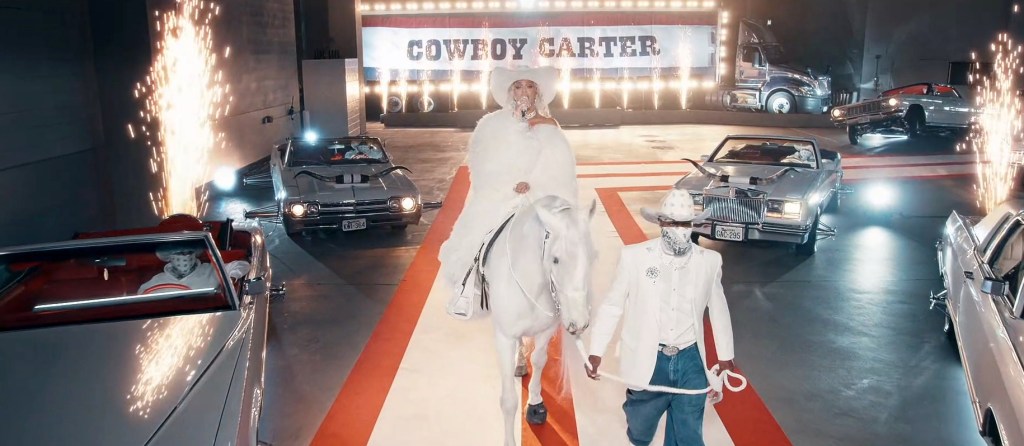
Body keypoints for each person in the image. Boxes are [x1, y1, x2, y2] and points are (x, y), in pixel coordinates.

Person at [585, 189, 736, 446]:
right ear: (661, 223)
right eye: (673, 223)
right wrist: (596, 350)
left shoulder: (709, 261)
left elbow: (719, 307)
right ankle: (639, 431)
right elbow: (612, 306)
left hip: (691, 360)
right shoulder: (634, 258)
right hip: (648, 357)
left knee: (688, 433)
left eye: (686, 223)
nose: (680, 229)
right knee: (640, 430)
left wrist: (725, 354)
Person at [438, 65, 579, 319]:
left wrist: (533, 182)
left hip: (539, 195)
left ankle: (560, 301)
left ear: (538, 91)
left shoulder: (548, 124)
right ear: (509, 91)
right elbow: (481, 164)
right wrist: (508, 183)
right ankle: (469, 291)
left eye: (529, 86)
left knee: (562, 245)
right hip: (500, 194)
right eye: (518, 86)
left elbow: (560, 163)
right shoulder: (491, 125)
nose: (523, 91)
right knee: (477, 238)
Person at [138, 244, 251, 294]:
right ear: (169, 256)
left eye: (189, 252)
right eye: (180, 253)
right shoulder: (155, 282)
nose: (185, 256)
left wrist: (230, 278)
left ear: (195, 253)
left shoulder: (211, 270)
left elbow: (242, 265)